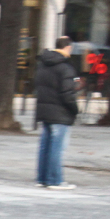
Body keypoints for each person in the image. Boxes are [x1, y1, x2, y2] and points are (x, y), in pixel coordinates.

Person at [35, 36, 79, 189]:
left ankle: (42, 178)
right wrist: (75, 109)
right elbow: (67, 94)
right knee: (57, 148)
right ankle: (55, 180)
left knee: (45, 146)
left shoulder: (43, 64)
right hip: (60, 112)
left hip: (45, 110)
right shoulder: (66, 67)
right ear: (69, 48)